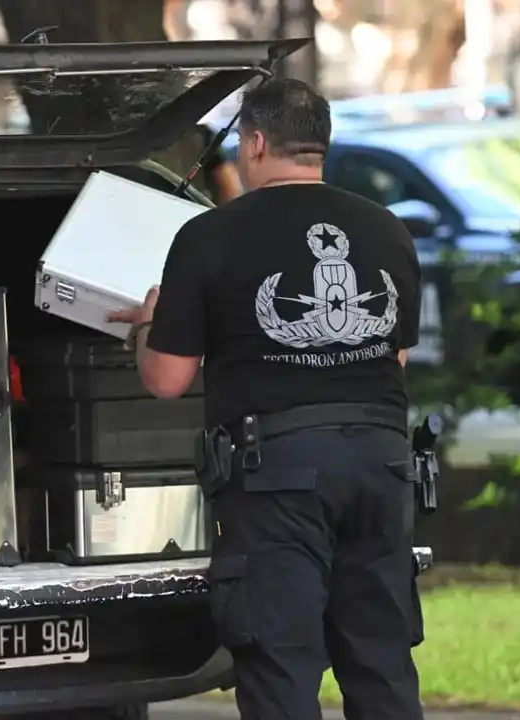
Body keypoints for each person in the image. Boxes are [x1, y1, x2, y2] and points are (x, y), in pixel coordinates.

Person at [107, 78, 425, 720]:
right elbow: (394, 354)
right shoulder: (386, 229)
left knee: (280, 664)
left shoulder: (209, 235)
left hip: (277, 475)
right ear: (320, 148)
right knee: (381, 660)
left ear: (254, 143)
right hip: (383, 466)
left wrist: (148, 325)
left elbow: (167, 379)